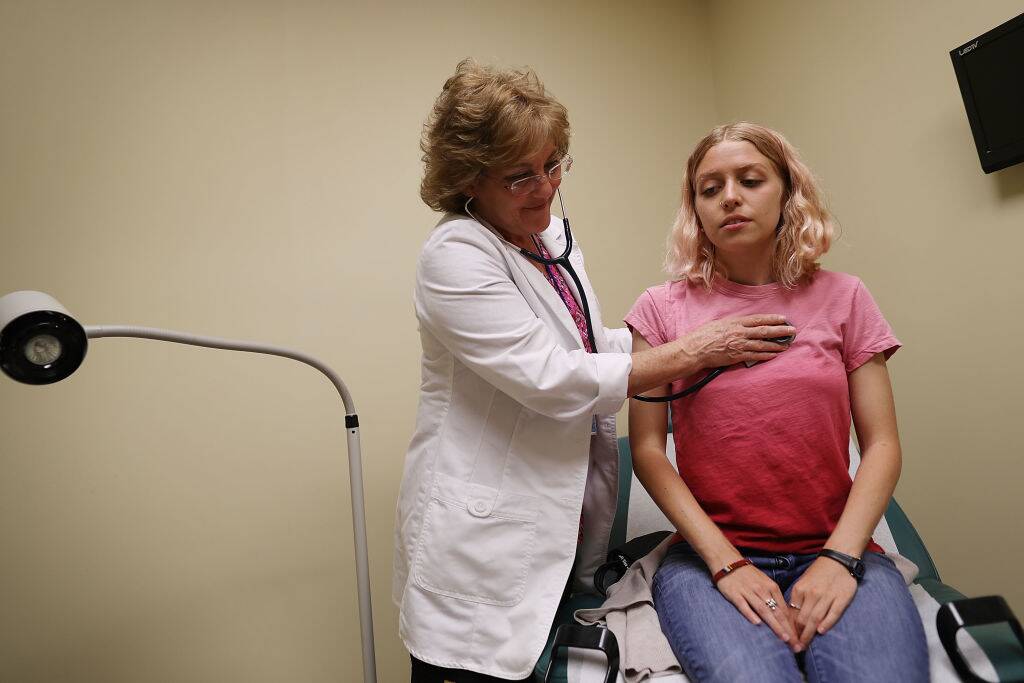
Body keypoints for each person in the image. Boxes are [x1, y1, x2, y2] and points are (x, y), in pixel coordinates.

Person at [393, 63, 796, 682]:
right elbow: (553, 377)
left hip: (563, 522)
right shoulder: (456, 255)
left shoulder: (549, 238)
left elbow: (585, 343)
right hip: (482, 544)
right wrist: (694, 349)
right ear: (470, 178)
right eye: (520, 175)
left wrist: (673, 332)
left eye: (555, 164)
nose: (546, 187)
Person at [625, 122, 929, 682]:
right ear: (694, 208)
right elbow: (647, 449)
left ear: (788, 193)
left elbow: (882, 443)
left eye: (750, 179)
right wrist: (727, 564)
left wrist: (840, 560)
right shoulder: (659, 310)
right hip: (708, 562)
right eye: (709, 188)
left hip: (836, 550)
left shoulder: (846, 297)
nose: (729, 197)